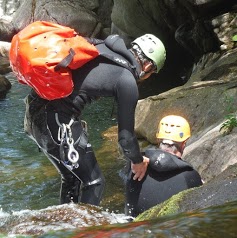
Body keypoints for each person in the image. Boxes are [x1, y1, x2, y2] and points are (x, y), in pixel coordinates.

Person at [21, 33, 166, 206]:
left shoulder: (101, 45)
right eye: (152, 73)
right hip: (57, 122)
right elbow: (126, 139)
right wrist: (138, 161)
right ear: (148, 65)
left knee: (72, 178)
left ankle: (65, 228)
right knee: (94, 182)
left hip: (34, 110)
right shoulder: (126, 80)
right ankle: (86, 232)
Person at [125, 115, 203, 217]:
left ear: (159, 141)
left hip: (130, 228)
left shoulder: (135, 165)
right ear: (184, 144)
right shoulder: (190, 176)